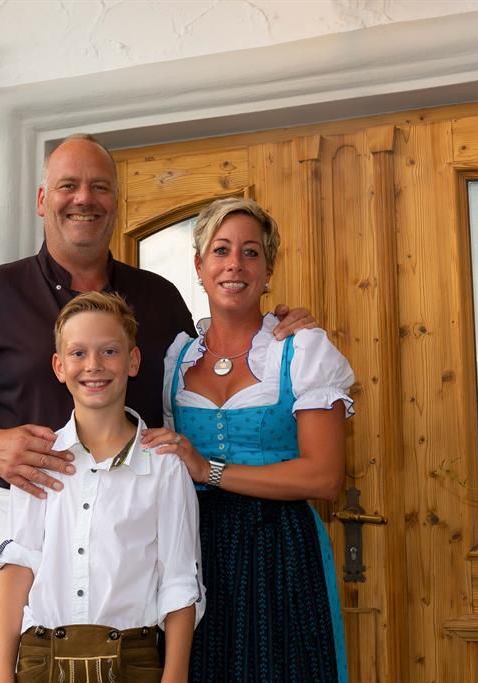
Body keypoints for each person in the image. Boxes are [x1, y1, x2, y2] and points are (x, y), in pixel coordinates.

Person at [0, 134, 314, 682]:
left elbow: (214, 360)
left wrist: (274, 329)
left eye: (100, 187)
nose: (84, 198)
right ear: (42, 199)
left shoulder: (160, 299)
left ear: (116, 202)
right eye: (68, 186)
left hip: (138, 533)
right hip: (31, 524)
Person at [142, 197, 354, 682]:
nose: (234, 264)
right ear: (199, 266)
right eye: (221, 250)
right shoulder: (176, 360)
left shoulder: (302, 350)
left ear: (268, 269)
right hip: (194, 549)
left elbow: (324, 477)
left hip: (280, 549)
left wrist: (208, 470)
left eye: (251, 252)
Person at [0, 291, 203, 683]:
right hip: (41, 660)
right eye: (78, 353)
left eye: (109, 351)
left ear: (133, 361)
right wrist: (1, 673)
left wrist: (175, 676)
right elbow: (18, 567)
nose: (93, 365)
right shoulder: (38, 458)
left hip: (132, 662)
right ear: (59, 366)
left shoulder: (164, 466)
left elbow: (179, 582)